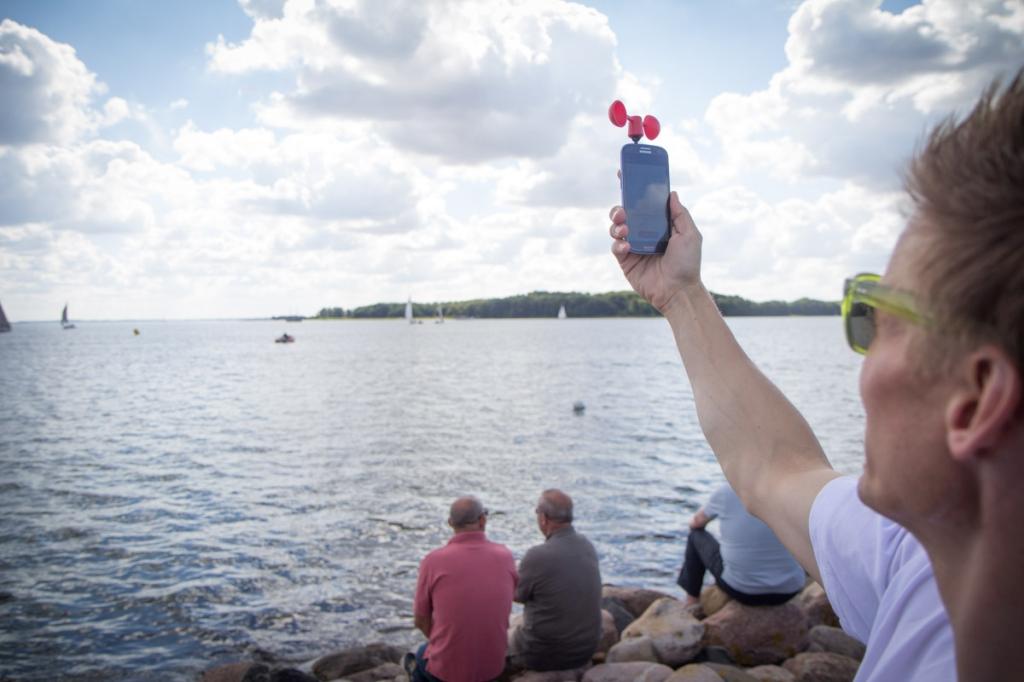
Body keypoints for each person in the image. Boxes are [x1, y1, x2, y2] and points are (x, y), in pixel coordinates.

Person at [607, 69, 1024, 682]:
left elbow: (775, 470)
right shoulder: (934, 555)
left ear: (978, 400)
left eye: (876, 316)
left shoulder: (934, 565)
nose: (862, 364)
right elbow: (773, 468)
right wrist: (681, 293)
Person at [413, 496, 518, 682]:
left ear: (450, 523)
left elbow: (421, 619)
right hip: (492, 668)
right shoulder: (505, 556)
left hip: (448, 672)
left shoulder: (433, 561)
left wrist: (442, 641)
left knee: (418, 658)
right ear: (482, 520)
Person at [507, 489, 603, 671]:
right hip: (585, 650)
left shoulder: (537, 555)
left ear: (543, 518)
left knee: (486, 642)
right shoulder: (587, 545)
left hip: (543, 654)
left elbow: (516, 595)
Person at [677, 482, 805, 607]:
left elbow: (696, 522)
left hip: (742, 590)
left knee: (696, 535)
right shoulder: (792, 492)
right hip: (790, 590)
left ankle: (692, 601)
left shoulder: (727, 491)